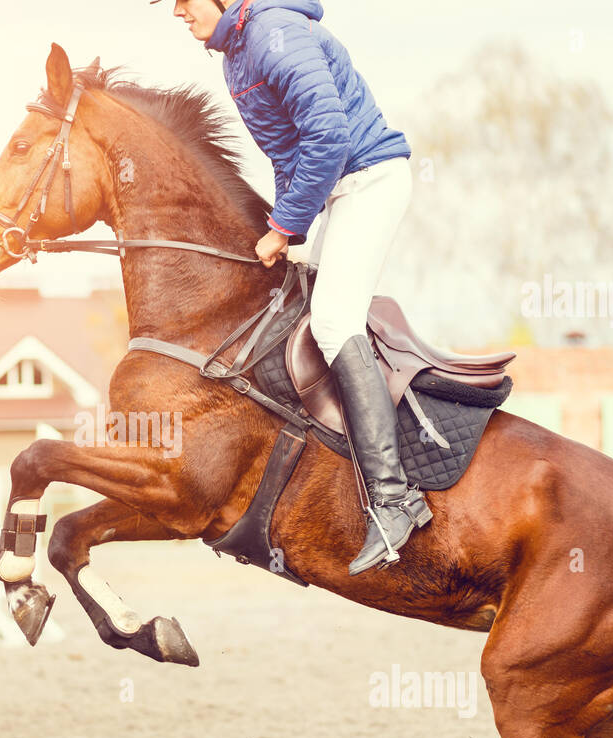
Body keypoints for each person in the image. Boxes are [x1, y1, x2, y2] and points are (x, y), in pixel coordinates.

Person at [162, 0, 431, 574]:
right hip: (340, 189)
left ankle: (392, 500)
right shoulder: (235, 53)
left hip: (368, 181)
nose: (179, 12)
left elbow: (328, 134)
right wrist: (287, 231)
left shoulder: (274, 33)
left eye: (184, 0)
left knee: (334, 322)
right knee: (293, 306)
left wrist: (286, 225)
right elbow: (288, 152)